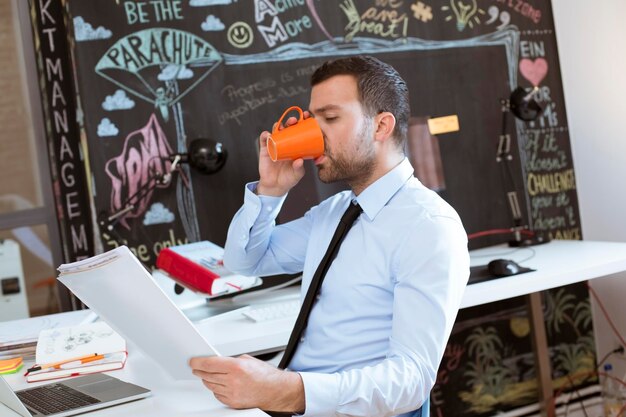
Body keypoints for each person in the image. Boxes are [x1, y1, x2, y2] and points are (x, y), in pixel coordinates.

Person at [189, 55, 469, 417]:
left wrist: (285, 390)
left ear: (381, 126)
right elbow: (245, 261)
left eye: (331, 118)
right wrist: (270, 192)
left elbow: (411, 381)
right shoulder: (336, 212)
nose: (315, 136)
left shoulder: (429, 226)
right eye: (311, 119)